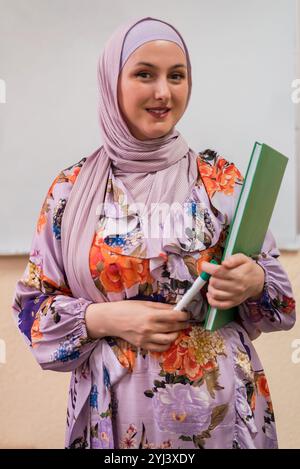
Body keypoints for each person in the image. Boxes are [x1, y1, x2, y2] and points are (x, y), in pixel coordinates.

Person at [12, 16, 296, 450]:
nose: (164, 92)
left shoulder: (219, 181)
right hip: (115, 415)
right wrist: (105, 318)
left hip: (223, 416)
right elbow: (33, 310)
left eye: (177, 76)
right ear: (112, 82)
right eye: (145, 74)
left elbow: (282, 304)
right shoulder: (70, 191)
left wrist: (253, 281)